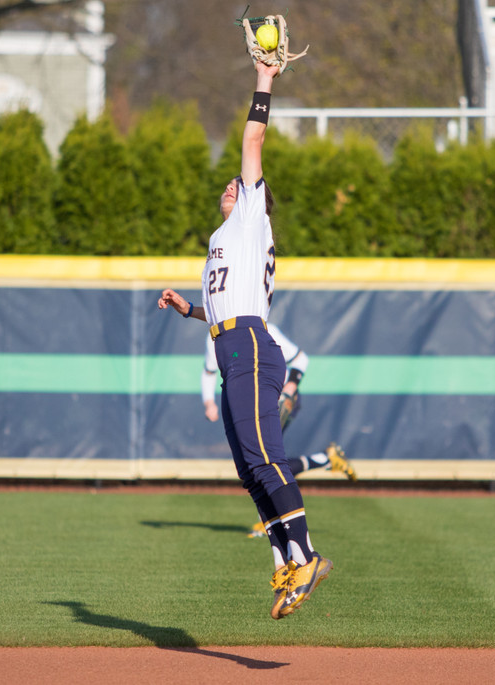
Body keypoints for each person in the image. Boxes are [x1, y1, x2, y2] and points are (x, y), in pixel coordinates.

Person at [158, 59, 331, 620]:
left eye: (243, 183)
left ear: (258, 198)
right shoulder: (227, 236)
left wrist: (264, 78)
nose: (232, 184)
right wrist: (190, 310)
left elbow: (253, 137)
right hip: (232, 346)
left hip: (251, 348)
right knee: (249, 470)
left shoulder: (252, 215)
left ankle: (306, 555)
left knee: (265, 459)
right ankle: (288, 563)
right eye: (232, 183)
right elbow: (225, 306)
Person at [200, 323, 357, 537]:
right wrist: (209, 402)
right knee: (257, 461)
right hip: (247, 402)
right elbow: (209, 371)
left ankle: (270, 522)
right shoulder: (216, 335)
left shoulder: (263, 328)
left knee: (264, 460)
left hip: (277, 398)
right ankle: (325, 459)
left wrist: (290, 387)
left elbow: (301, 359)